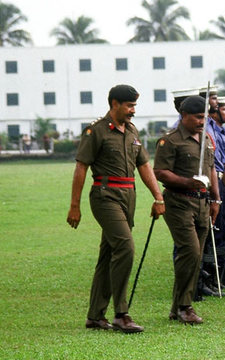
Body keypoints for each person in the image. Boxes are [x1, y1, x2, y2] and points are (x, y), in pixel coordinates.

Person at [67, 84, 165, 333]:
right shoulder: (96, 131)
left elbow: (144, 166)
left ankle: (95, 316)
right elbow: (81, 167)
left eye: (134, 105)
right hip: (104, 194)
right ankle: (121, 313)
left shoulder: (132, 131)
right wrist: (74, 206)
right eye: (129, 105)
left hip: (128, 195)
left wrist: (158, 197)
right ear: (114, 104)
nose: (133, 110)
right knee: (125, 246)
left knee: (107, 255)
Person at [153, 95, 220, 324]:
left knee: (196, 256)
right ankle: (185, 306)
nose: (202, 121)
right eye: (198, 117)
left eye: (205, 117)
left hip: (202, 202)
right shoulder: (170, 141)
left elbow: (211, 170)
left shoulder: (207, 139)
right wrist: (188, 182)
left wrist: (216, 200)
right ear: (185, 116)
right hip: (179, 202)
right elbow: (160, 172)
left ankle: (177, 307)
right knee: (190, 251)